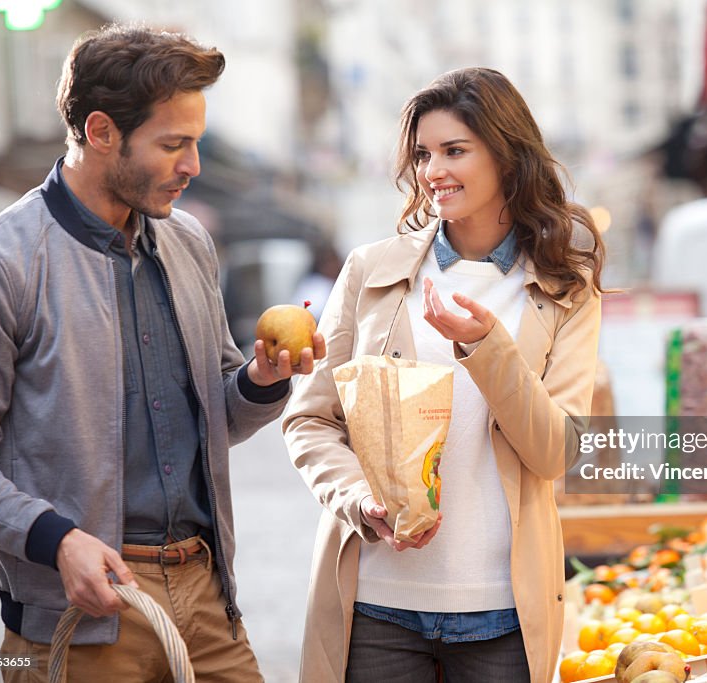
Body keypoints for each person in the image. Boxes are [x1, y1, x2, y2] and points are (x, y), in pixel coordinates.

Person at [0, 23, 323, 682]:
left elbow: (219, 412)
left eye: (197, 143)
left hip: (207, 599)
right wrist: (57, 540)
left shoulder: (190, 244)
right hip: (81, 607)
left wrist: (263, 381)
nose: (194, 166)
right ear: (100, 133)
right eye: (172, 144)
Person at [284, 67, 605, 683]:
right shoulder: (371, 272)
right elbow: (310, 420)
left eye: (455, 151)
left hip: (503, 615)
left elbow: (555, 450)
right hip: (375, 606)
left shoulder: (565, 287)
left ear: (507, 157)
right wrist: (356, 497)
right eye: (424, 154)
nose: (433, 171)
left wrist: (486, 346)